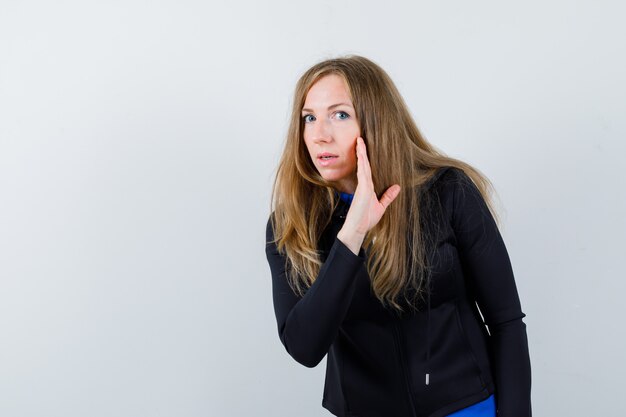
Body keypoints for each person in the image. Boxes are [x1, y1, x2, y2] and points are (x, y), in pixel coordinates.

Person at [264, 55, 531, 417]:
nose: (319, 134)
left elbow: (506, 321)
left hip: (467, 406)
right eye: (309, 117)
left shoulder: (449, 191)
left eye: (340, 115)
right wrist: (353, 233)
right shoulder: (291, 224)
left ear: (376, 122)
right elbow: (304, 347)